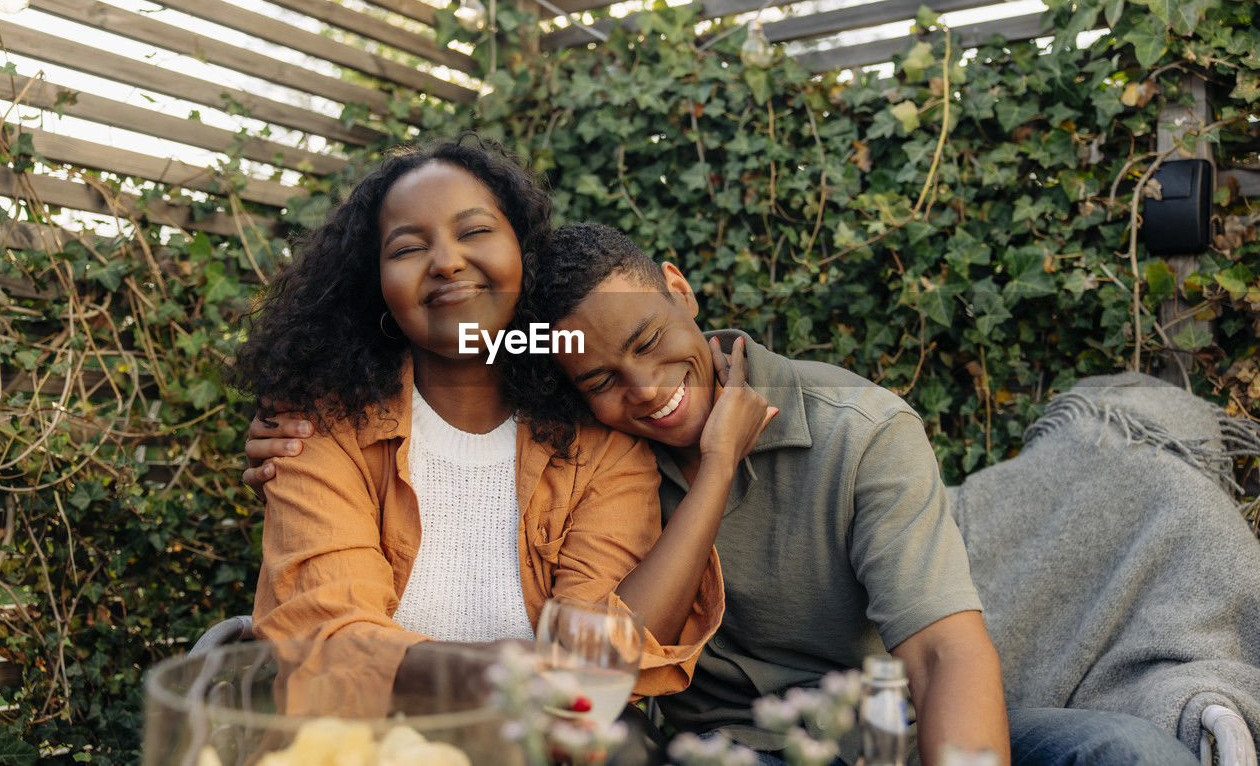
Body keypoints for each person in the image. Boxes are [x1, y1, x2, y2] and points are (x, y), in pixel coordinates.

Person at [245, 221, 1200, 765]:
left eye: (649, 343)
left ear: (679, 289)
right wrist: (300, 429)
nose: (644, 390)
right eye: (601, 381)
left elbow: (946, 650)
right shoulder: (585, 454)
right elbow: (447, 380)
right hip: (719, 750)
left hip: (879, 730)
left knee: (1125, 753)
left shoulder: (859, 429)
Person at [226, 141, 775, 715]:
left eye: (474, 232)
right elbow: (332, 641)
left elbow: (607, 658)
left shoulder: (598, 439)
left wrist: (717, 467)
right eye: (408, 248)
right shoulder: (315, 429)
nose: (446, 261)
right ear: (379, 287)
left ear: (523, 257)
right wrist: (539, 672)